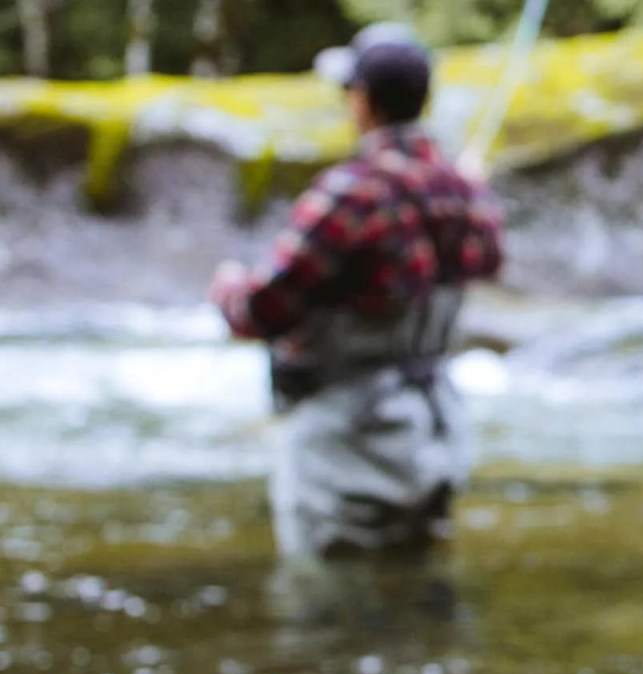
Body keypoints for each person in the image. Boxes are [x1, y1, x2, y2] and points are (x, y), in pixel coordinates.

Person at [211, 24, 504, 559]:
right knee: (416, 584)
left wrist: (228, 284)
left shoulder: (351, 191)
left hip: (344, 441)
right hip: (436, 430)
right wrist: (472, 189)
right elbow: (490, 259)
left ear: (364, 100)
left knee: (327, 593)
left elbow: (262, 309)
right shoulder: (465, 190)